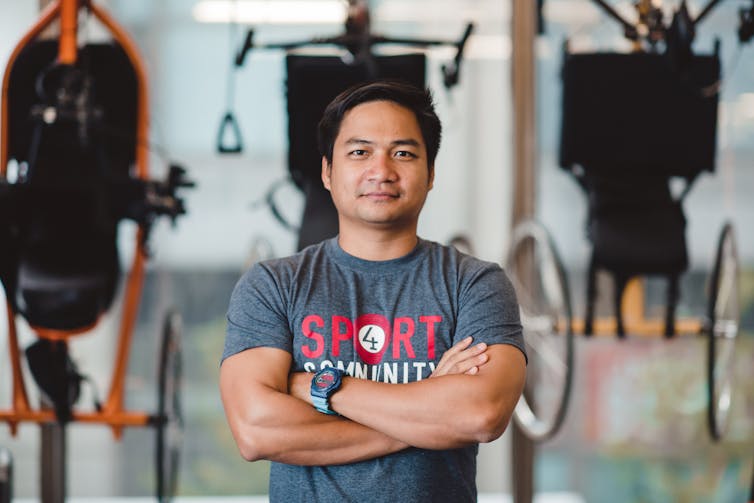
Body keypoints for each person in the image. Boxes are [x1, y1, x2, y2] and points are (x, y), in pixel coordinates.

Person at [220, 80, 527, 502]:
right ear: (328, 171)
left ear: (431, 173)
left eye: (403, 153)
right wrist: (426, 417)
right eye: (360, 152)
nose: (381, 171)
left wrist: (318, 387)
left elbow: (479, 414)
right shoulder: (273, 285)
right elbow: (257, 430)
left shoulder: (475, 284)